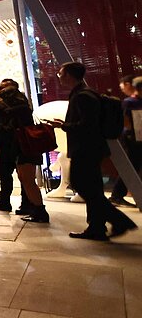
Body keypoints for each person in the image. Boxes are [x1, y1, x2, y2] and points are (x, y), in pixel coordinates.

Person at [50, 62, 137, 240]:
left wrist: (64, 126)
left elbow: (88, 125)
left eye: (61, 74)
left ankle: (120, 221)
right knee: (93, 189)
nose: (59, 77)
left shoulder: (82, 96)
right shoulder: (84, 93)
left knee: (82, 185)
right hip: (91, 149)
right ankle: (97, 227)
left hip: (86, 149)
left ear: (69, 75)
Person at [0, 81, 46, 220]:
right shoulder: (24, 106)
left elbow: (10, 128)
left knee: (25, 179)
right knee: (24, 178)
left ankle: (35, 209)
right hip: (20, 146)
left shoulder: (9, 109)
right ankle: (30, 206)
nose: (0, 90)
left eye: (3, 88)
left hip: (18, 146)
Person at [109, 75, 140, 207]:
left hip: (135, 136)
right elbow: (126, 121)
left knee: (134, 165)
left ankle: (118, 194)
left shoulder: (131, 101)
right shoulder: (129, 102)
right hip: (131, 138)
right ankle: (117, 194)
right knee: (132, 165)